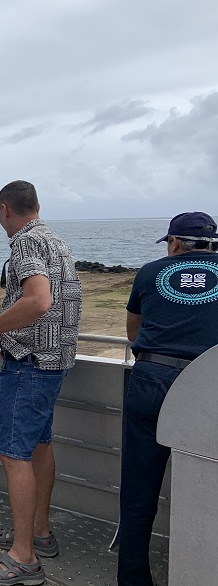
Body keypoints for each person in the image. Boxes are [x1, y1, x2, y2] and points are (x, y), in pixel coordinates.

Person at [0, 180, 82, 586]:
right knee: (40, 445)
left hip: (30, 363)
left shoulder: (24, 243)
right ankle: (39, 532)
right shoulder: (55, 239)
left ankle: (23, 557)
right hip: (55, 361)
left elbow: (38, 300)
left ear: (4, 209)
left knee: (14, 455)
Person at [118, 212, 218, 586]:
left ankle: (132, 579)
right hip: (209, 385)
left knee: (138, 488)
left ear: (174, 243)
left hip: (152, 378)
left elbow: (133, 331)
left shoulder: (149, 272)